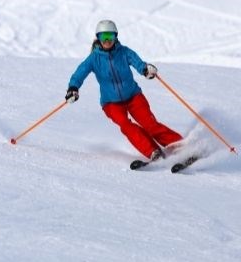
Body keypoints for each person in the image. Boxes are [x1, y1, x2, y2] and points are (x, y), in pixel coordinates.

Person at [65, 20, 183, 161]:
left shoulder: (124, 52)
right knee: (126, 126)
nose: (107, 40)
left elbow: (138, 63)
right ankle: (152, 151)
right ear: (98, 38)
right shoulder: (93, 59)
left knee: (149, 124)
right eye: (104, 37)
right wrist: (73, 88)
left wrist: (145, 70)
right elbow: (80, 73)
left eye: (110, 36)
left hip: (133, 96)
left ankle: (180, 147)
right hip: (111, 103)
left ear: (116, 37)